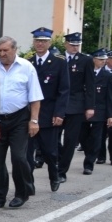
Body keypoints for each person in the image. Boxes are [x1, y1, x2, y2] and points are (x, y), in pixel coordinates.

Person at [0, 37, 43, 209]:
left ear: (14, 49)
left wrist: (34, 120)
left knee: (19, 157)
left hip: (19, 118)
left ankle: (22, 193)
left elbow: (35, 97)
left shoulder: (26, 67)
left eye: (6, 50)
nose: (2, 54)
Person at [27, 27, 69, 193]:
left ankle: (54, 176)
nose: (40, 44)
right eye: (37, 41)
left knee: (50, 151)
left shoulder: (59, 62)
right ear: (33, 42)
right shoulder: (28, 62)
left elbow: (64, 90)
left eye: (43, 41)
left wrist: (59, 113)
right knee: (27, 153)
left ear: (49, 43)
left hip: (49, 113)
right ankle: (28, 184)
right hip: (29, 115)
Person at [57, 32, 94, 183]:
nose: (75, 47)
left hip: (76, 105)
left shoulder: (85, 60)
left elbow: (90, 85)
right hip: (58, 104)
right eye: (72, 44)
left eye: (77, 45)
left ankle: (62, 171)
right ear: (66, 44)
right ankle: (59, 159)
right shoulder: (58, 59)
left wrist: (90, 107)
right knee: (51, 140)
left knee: (71, 141)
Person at [78, 50, 112, 175]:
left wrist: (111, 115)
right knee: (83, 137)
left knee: (96, 138)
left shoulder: (108, 76)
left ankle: (89, 164)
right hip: (83, 110)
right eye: (100, 59)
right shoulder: (85, 73)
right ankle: (89, 154)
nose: (103, 62)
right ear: (93, 59)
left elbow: (111, 97)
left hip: (100, 112)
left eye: (104, 60)